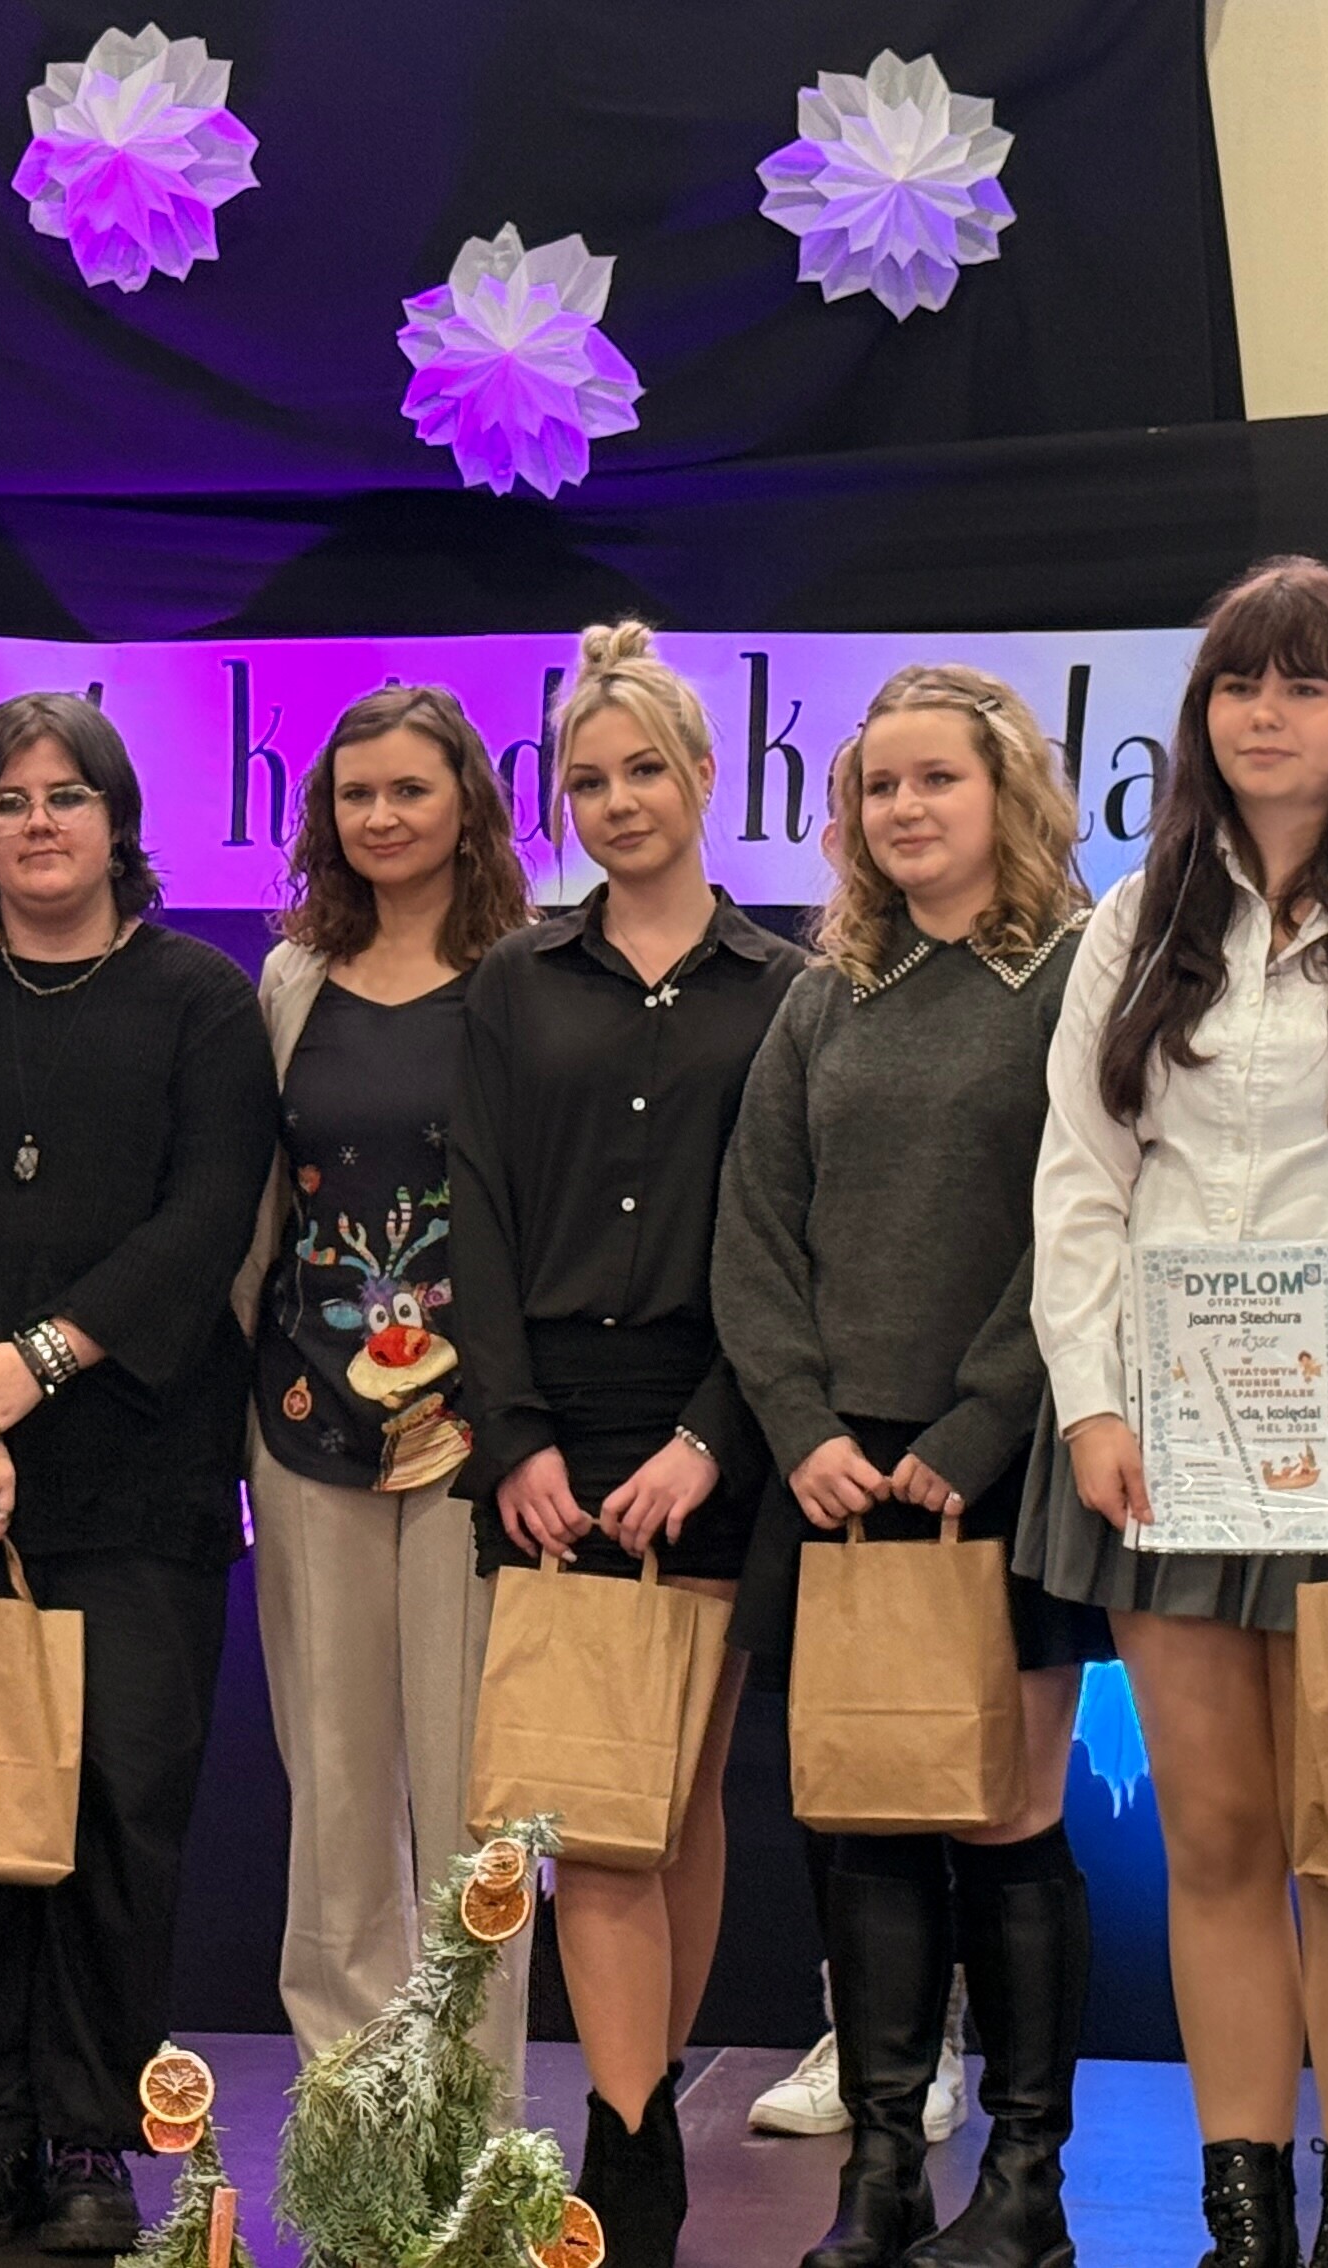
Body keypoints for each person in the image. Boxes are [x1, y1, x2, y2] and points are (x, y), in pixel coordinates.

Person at [1025, 558, 1328, 2268]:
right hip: (1165, 1430)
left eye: (1306, 683)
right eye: (1240, 682)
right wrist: (1091, 1405)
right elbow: (1080, 1178)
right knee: (1219, 1841)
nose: (1268, 713)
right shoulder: (1133, 918)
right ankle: (1243, 2222)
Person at [0, 692, 273, 2258]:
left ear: (117, 819)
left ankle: (90, 2137)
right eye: (7, 800)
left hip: (138, 1469)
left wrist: (40, 1362)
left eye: (67, 796)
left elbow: (205, 1216)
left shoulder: (203, 1001)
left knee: (117, 1807)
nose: (38, 824)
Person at [713, 665, 1107, 2268]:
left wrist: (973, 1431)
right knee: (867, 1823)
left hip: (1000, 1464)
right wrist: (803, 1428)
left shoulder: (1078, 976)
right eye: (880, 786)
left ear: (1009, 793)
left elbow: (1085, 1226)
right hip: (836, 1475)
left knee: (1006, 1819)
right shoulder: (829, 994)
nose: (905, 809)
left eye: (937, 778)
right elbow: (755, 1230)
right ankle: (881, 2175)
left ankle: (1024, 2187)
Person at [445, 622, 799, 2268]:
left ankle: (636, 2117)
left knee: (678, 1794)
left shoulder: (789, 989)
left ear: (706, 776)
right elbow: (475, 1211)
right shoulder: (515, 982)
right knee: (585, 1812)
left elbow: (790, 1237)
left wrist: (714, 1437)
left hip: (714, 1417)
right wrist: (510, 1434)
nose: (618, 801)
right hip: (552, 1427)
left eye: (646, 769)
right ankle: (628, 2133)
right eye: (587, 781)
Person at [243, 685, 541, 2093]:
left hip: (479, 1438)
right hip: (307, 1423)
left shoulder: (527, 977)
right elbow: (260, 1210)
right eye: (355, 794)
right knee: (337, 1782)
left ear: (467, 802)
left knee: (479, 1791)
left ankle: (470, 2108)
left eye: (409, 789)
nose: (380, 817)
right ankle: (353, 2105)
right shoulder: (291, 978)